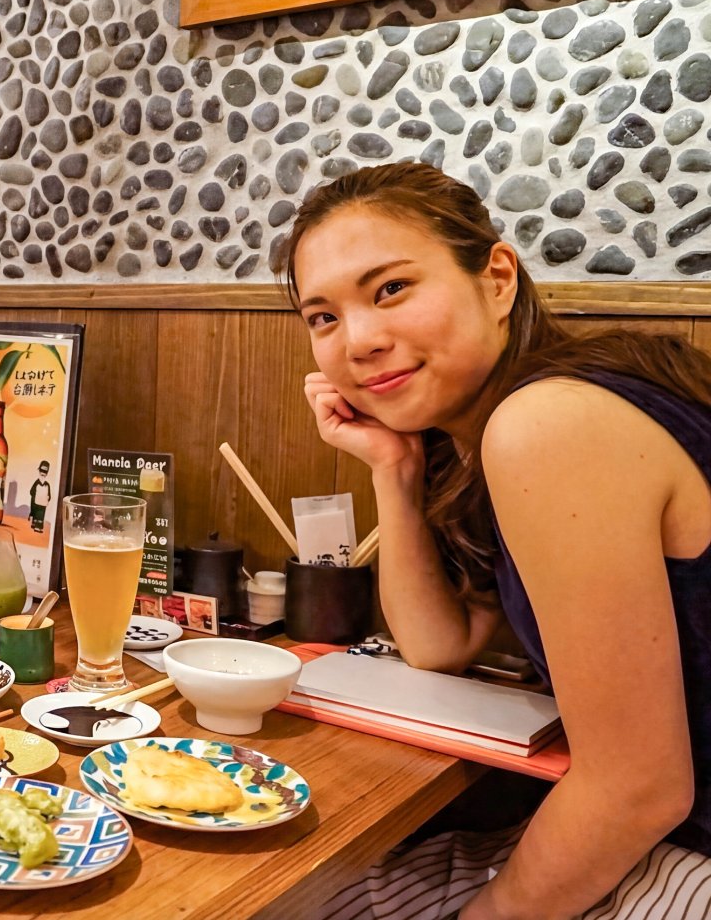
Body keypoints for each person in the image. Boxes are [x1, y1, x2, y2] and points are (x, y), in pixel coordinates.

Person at [283, 162, 711, 919]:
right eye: (323, 317)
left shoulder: (549, 425)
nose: (360, 341)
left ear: (499, 279)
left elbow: (639, 789)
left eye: (391, 288)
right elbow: (439, 645)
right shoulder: (485, 439)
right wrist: (394, 468)